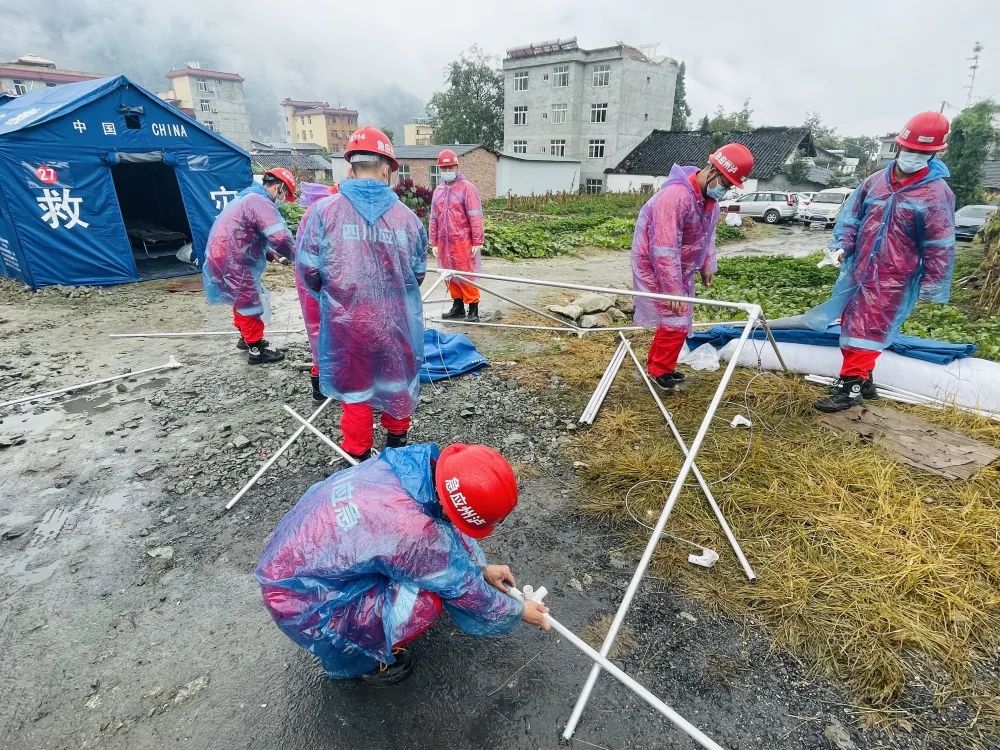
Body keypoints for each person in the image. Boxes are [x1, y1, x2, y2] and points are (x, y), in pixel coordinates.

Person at [256, 442, 550, 687]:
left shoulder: (411, 468)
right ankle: (363, 658)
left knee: (426, 570)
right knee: (426, 600)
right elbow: (459, 586)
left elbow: (445, 530)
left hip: (292, 564)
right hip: (307, 605)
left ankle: (359, 629)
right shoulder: (412, 531)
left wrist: (481, 569)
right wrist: (517, 610)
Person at [807, 112, 956, 413]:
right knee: (853, 323)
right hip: (859, 270)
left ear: (935, 153)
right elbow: (851, 219)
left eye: (922, 152)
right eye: (910, 149)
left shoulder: (936, 194)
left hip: (894, 278)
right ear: (900, 146)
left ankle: (850, 389)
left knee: (867, 329)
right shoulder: (874, 183)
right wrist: (840, 247)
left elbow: (939, 244)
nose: (913, 156)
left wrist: (931, 284)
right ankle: (865, 380)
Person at [295, 127, 427, 460]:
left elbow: (309, 270)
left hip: (347, 322)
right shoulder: (409, 220)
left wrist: (337, 298)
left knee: (356, 388)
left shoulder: (324, 213)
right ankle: (397, 443)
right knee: (397, 378)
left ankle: (357, 454)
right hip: (395, 320)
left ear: (350, 167)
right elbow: (417, 274)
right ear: (387, 167)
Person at [631, 144, 754, 389]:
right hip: (656, 267)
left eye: (730, 186)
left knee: (678, 319)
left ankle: (661, 367)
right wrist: (672, 289)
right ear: (712, 171)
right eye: (726, 184)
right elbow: (664, 249)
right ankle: (659, 371)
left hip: (682, 269)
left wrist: (708, 264)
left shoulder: (710, 202)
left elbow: (707, 237)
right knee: (675, 318)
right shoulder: (675, 196)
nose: (725, 190)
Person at [202, 167, 297, 365]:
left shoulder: (248, 196)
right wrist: (299, 256)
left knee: (239, 299)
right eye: (285, 194)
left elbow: (246, 233)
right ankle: (256, 349)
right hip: (236, 260)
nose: (284, 198)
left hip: (224, 256)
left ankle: (246, 339)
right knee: (249, 302)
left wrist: (269, 253)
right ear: (279, 187)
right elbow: (279, 237)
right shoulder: (260, 202)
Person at [294, 183, 340, 402]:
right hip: (322, 283)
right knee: (331, 333)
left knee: (318, 333)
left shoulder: (314, 211)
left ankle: (320, 386)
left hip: (311, 282)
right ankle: (328, 385)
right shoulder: (328, 211)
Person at [429, 149, 485, 323]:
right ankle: (458, 305)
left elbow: (475, 216)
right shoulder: (438, 191)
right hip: (445, 242)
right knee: (449, 273)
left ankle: (473, 308)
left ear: (456, 166)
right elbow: (434, 218)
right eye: (443, 168)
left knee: (465, 273)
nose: (447, 171)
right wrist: (434, 242)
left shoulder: (467, 188)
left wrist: (477, 240)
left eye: (450, 167)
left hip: (463, 241)